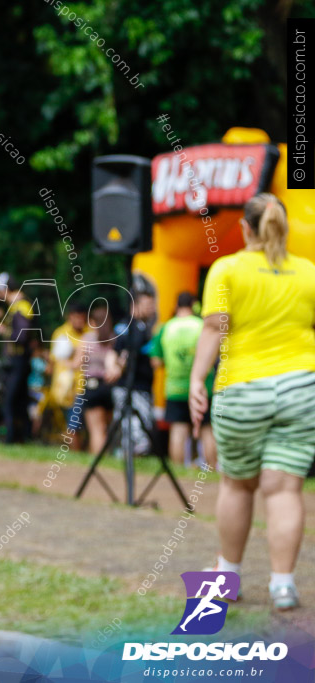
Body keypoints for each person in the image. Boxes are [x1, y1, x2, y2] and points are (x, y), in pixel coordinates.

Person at [190, 193, 315, 611]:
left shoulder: (227, 269)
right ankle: (283, 585)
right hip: (302, 389)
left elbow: (213, 330)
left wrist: (196, 381)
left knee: (237, 484)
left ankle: (227, 577)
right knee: (284, 489)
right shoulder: (308, 272)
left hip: (242, 390)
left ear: (245, 228)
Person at [150, 292, 215, 467]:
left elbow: (155, 361)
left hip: (175, 388)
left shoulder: (166, 327)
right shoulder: (202, 326)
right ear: (194, 305)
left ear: (177, 305)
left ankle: (179, 472)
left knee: (178, 431)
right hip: (203, 386)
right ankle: (211, 472)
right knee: (207, 430)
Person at [105, 291, 156, 457]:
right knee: (136, 425)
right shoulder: (135, 328)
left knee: (127, 422)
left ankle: (123, 452)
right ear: (135, 306)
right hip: (134, 386)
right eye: (148, 305)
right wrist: (117, 367)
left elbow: (114, 350)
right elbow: (124, 351)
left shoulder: (130, 326)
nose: (152, 309)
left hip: (132, 386)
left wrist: (114, 366)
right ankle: (132, 454)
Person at [0, 272, 36, 444]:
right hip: (18, 361)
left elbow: (22, 336)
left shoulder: (22, 306)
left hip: (19, 361)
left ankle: (11, 439)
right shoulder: (15, 306)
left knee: (10, 400)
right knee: (20, 401)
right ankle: (25, 437)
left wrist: (5, 332)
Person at [76, 303, 115, 455]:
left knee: (96, 430)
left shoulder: (88, 339)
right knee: (106, 428)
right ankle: (107, 458)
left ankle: (97, 463)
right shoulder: (113, 339)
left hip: (92, 387)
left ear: (93, 321)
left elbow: (77, 363)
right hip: (109, 387)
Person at [49, 301, 87, 449]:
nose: (79, 321)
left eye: (82, 317)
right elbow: (54, 362)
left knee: (82, 425)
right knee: (73, 424)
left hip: (83, 384)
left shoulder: (90, 333)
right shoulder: (60, 333)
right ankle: (75, 455)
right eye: (76, 317)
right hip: (66, 389)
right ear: (69, 317)